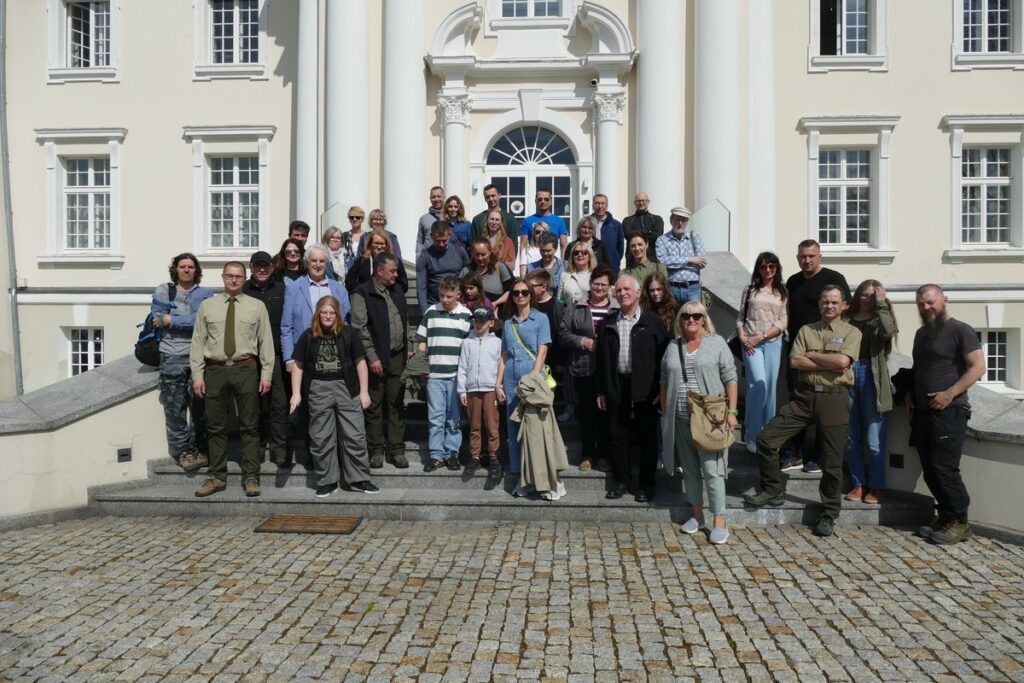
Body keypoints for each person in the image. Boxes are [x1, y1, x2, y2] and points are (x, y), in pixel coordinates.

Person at [744, 285, 861, 538]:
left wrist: (814, 355)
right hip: (804, 397)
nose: (829, 306)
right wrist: (827, 359)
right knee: (766, 439)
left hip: (834, 398)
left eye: (834, 302)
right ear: (819, 304)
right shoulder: (806, 330)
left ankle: (829, 512)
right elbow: (795, 361)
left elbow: (843, 362)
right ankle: (773, 489)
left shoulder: (852, 332)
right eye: (825, 302)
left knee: (831, 462)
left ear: (843, 306)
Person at [190, 262, 275, 498]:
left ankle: (251, 476)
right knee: (215, 426)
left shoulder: (256, 307)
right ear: (223, 277)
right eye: (230, 276)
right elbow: (198, 342)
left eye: (239, 276)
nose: (234, 280)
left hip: (245, 368)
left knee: (250, 425)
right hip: (215, 370)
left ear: (245, 278)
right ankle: (217, 476)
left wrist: (266, 374)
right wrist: (198, 375)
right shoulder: (208, 306)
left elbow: (266, 342)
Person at [910, 284, 986, 545]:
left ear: (944, 300)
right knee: (930, 468)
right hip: (923, 411)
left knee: (945, 468)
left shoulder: (959, 329)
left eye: (931, 302)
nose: (926, 308)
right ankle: (945, 516)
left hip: (950, 410)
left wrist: (949, 393)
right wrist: (911, 394)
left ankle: (960, 521)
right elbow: (920, 368)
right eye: (921, 304)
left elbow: (978, 367)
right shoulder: (921, 334)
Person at [660, 300, 738, 544]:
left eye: (696, 316)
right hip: (681, 417)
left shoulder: (717, 343)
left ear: (704, 319)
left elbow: (730, 378)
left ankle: (719, 520)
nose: (691, 320)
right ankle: (697, 516)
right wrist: (665, 411)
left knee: (712, 470)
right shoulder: (673, 345)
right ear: (679, 321)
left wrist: (732, 412)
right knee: (691, 472)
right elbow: (663, 378)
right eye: (685, 316)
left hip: (709, 419)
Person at [289, 296, 377, 497]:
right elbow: (298, 366)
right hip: (318, 388)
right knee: (321, 437)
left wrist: (364, 391)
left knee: (354, 435)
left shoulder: (348, 333)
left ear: (337, 314)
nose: (328, 316)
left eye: (332, 312)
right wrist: (296, 395)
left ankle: (359, 479)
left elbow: (361, 363)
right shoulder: (308, 335)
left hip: (347, 387)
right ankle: (326, 481)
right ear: (318, 314)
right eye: (324, 312)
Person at [595, 274, 671, 503]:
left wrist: (661, 388)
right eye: (618, 290)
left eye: (627, 289)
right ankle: (622, 481)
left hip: (646, 388)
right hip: (617, 384)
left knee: (647, 437)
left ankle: (646, 484)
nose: (623, 293)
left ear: (638, 293)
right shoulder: (609, 322)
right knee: (617, 435)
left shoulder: (652, 321)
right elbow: (600, 358)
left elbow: (663, 358)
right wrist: (600, 389)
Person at [782, 239, 852, 473]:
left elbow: (845, 314)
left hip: (827, 354)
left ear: (820, 256)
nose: (807, 260)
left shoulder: (834, 279)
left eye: (811, 256)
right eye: (803, 256)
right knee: (798, 403)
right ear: (797, 257)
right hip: (798, 350)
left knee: (823, 409)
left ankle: (817, 456)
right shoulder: (793, 281)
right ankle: (795, 453)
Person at [151, 253, 214, 472]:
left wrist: (173, 320)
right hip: (172, 356)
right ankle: (182, 451)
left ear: (196, 271)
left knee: (200, 408)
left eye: (190, 267)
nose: (187, 270)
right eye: (182, 266)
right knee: (175, 407)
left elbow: (204, 320)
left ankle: (198, 448)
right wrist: (188, 320)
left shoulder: (206, 294)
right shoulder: (164, 290)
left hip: (200, 357)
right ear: (175, 270)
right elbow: (157, 320)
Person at [351, 253, 411, 470]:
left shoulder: (396, 290)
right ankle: (376, 450)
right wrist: (372, 357)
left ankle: (397, 450)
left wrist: (407, 350)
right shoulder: (363, 292)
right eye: (392, 271)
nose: (397, 275)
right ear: (379, 271)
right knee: (374, 406)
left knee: (396, 404)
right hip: (374, 359)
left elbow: (402, 323)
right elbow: (359, 328)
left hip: (397, 356)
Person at [844, 279, 898, 506]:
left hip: (871, 376)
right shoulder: (846, 320)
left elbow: (889, 332)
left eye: (872, 295)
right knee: (851, 437)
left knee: (874, 438)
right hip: (847, 374)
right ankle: (858, 483)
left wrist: (882, 303)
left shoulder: (879, 319)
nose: (868, 299)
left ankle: (877, 486)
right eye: (864, 295)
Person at [558, 264, 616, 472]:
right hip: (583, 367)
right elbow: (563, 333)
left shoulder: (615, 308)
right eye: (596, 284)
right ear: (590, 285)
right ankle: (587, 453)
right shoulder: (577, 307)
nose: (599, 288)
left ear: (609, 287)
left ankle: (604, 454)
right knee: (586, 413)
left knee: (606, 414)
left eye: (604, 284)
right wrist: (583, 341)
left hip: (610, 370)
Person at [415, 277, 473, 472]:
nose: (445, 300)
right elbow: (422, 342)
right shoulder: (431, 312)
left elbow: (470, 346)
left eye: (449, 296)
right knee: (435, 417)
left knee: (454, 418)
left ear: (458, 294)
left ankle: (452, 454)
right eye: (442, 296)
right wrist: (422, 367)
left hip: (457, 376)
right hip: (435, 375)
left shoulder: (466, 315)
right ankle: (436, 455)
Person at [496, 279, 552, 476]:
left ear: (531, 295)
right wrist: (498, 384)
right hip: (510, 375)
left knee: (534, 426)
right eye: (516, 293)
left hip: (531, 373)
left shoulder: (541, 319)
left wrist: (534, 380)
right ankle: (518, 473)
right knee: (513, 426)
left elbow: (542, 352)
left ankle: (537, 474)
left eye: (524, 292)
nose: (520, 295)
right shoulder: (509, 322)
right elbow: (504, 354)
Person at [736, 252, 788, 455]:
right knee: (758, 384)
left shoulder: (782, 292)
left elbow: (783, 322)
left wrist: (762, 336)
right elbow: (741, 317)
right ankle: (751, 434)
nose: (767, 270)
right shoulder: (749, 290)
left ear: (777, 268)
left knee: (770, 390)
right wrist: (742, 336)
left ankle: (768, 435)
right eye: (763, 267)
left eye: (772, 267)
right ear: (758, 269)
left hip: (772, 343)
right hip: (750, 343)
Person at [243, 250, 289, 467]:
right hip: (250, 357)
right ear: (251, 268)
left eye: (266, 266)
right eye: (257, 265)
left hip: (277, 355)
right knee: (253, 405)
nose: (262, 269)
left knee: (279, 404)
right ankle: (259, 445)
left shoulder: (282, 289)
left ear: (272, 268)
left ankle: (279, 447)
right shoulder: (242, 290)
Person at [281, 244, 352, 375]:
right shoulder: (294, 288)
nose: (318, 264)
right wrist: (289, 359)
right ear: (307, 263)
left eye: (322, 261)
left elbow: (347, 322)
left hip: (334, 353)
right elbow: (286, 326)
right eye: (314, 260)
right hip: (304, 354)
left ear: (327, 264)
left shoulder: (339, 289)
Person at [457, 307, 503, 475]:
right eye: (476, 321)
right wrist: (462, 391)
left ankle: (494, 457)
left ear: (491, 323)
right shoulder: (468, 341)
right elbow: (462, 366)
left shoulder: (497, 342)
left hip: (490, 388)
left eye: (482, 321)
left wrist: (499, 386)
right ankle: (475, 456)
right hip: (472, 389)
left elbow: (500, 365)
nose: (478, 324)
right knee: (474, 425)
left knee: (492, 425)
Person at [655, 206, 706, 305]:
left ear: (687, 222)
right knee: (671, 319)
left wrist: (673, 262)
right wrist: (689, 259)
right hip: (671, 288)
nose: (680, 223)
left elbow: (701, 262)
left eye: (684, 220)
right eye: (677, 219)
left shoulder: (695, 237)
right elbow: (662, 261)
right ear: (671, 220)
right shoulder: (662, 240)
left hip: (693, 288)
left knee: (694, 319)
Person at [416, 221, 470, 313]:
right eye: (438, 241)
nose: (441, 244)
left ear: (449, 234)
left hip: (458, 304)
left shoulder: (460, 252)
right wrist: (425, 311)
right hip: (434, 305)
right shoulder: (425, 257)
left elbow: (469, 278)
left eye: (444, 240)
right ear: (431, 236)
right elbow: (421, 287)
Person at [345, 230, 408, 294]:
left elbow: (403, 284)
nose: (379, 247)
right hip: (366, 299)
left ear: (387, 245)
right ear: (370, 244)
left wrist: (390, 293)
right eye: (376, 243)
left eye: (382, 243)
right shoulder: (362, 260)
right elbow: (349, 279)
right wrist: (361, 292)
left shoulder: (394, 261)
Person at [459, 237, 513, 308]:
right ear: (472, 253)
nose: (480, 258)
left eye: (483, 254)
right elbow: (458, 292)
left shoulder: (499, 267)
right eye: (477, 254)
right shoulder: (466, 271)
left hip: (497, 311)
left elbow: (511, 291)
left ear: (490, 252)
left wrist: (494, 304)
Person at [520, 187, 568, 252]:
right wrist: (523, 261)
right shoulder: (527, 221)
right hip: (533, 258)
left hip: (552, 258)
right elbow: (523, 245)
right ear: (535, 201)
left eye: (546, 199)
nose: (543, 201)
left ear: (550, 201)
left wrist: (564, 262)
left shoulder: (559, 221)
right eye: (540, 199)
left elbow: (564, 245)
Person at [622, 192, 664, 267]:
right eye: (638, 201)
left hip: (652, 259)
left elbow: (657, 235)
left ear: (648, 202)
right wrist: (648, 231)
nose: (641, 203)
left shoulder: (657, 219)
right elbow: (628, 234)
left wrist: (636, 233)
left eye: (643, 200)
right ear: (635, 203)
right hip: (632, 260)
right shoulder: (627, 220)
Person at [589, 193, 624, 275]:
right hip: (590, 265)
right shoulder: (586, 224)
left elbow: (620, 248)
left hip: (611, 267)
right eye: (597, 203)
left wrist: (615, 259)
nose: (600, 206)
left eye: (603, 203)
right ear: (593, 206)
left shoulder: (616, 225)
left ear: (607, 206)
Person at [558, 241, 596, 307]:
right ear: (572, 257)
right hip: (570, 314)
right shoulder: (564, 275)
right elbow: (559, 300)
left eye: (584, 253)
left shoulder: (597, 275)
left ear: (590, 256)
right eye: (576, 253)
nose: (580, 255)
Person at [416, 186, 445, 261]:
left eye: (439, 196)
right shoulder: (424, 219)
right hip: (428, 259)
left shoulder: (448, 218)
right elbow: (420, 241)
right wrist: (418, 257)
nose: (436, 199)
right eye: (433, 197)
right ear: (430, 199)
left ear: (444, 197)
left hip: (446, 258)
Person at [341, 206, 367, 271]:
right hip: (348, 269)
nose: (354, 219)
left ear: (362, 219)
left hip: (364, 269)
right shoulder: (344, 236)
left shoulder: (367, 236)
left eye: (358, 217)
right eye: (351, 217)